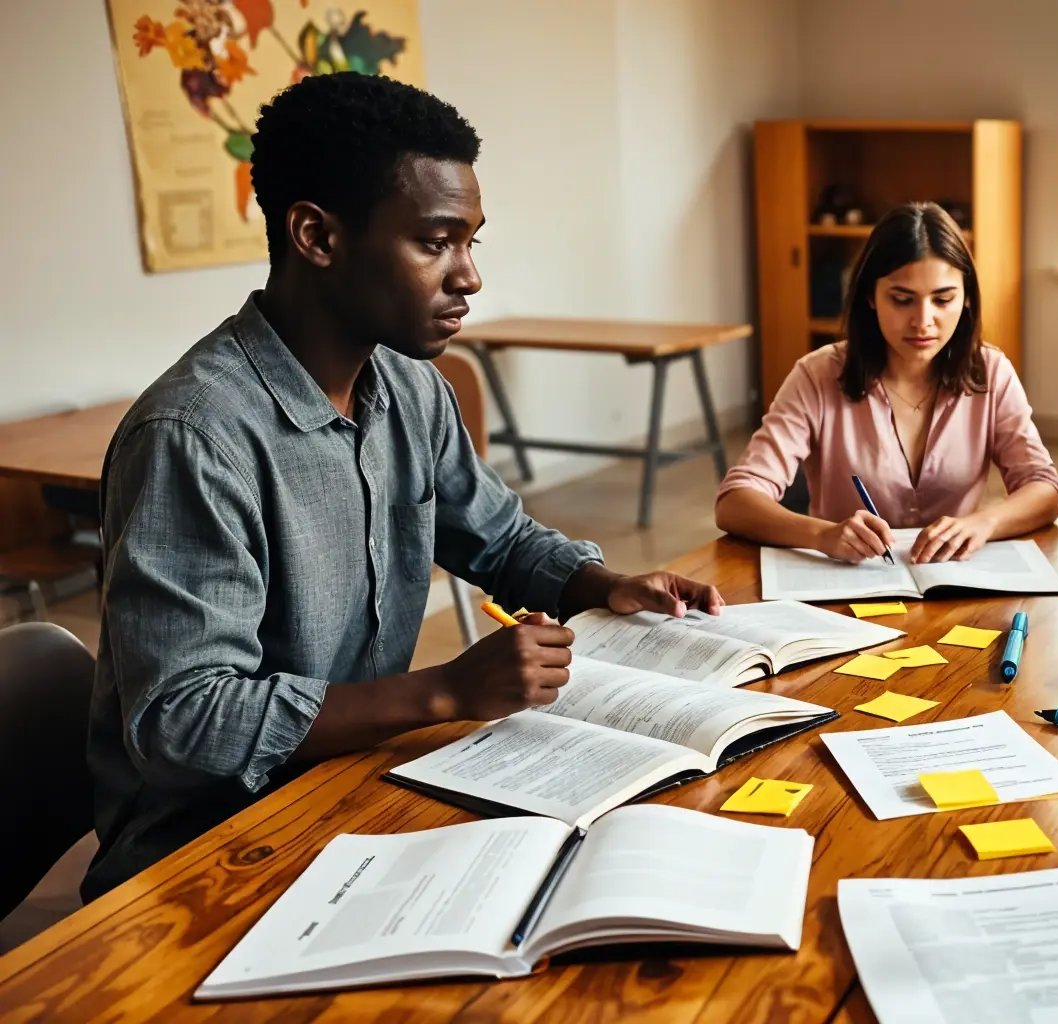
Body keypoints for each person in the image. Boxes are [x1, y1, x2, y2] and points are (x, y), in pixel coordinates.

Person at [85, 73, 724, 899]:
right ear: (317, 235)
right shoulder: (195, 438)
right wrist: (446, 689)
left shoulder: (411, 388)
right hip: (208, 852)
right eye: (435, 242)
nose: (469, 277)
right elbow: (186, 723)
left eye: (472, 243)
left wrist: (606, 585)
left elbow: (497, 537)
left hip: (354, 782)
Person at [715, 202, 1058, 563]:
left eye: (943, 299)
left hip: (953, 585)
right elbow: (735, 501)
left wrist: (983, 523)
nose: (923, 321)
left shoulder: (991, 372)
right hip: (846, 589)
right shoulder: (817, 375)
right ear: (870, 296)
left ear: (968, 298)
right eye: (901, 300)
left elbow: (1044, 488)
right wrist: (822, 535)